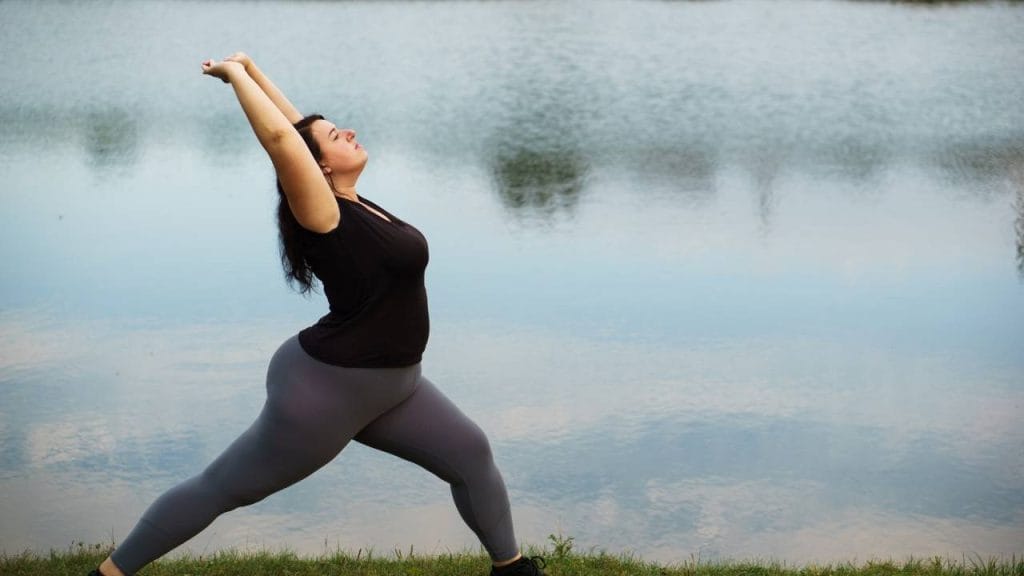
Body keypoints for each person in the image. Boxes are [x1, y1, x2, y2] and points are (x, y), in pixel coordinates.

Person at [87, 53, 546, 576]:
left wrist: (253, 68)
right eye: (335, 136)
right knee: (225, 487)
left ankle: (512, 569)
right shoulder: (322, 213)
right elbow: (286, 143)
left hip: (397, 386)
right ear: (320, 168)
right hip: (326, 391)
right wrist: (235, 80)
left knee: (471, 455)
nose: (347, 132)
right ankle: (111, 572)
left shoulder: (351, 199)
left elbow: (297, 130)